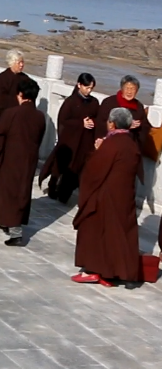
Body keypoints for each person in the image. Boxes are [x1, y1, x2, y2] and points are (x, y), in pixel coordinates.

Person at [72, 107, 144, 285]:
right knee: (118, 234)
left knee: (95, 229)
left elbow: (94, 170)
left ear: (112, 123)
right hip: (125, 197)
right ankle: (112, 273)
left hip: (106, 196)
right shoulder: (130, 143)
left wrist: (97, 150)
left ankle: (94, 270)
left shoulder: (111, 144)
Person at [0, 77, 46, 245]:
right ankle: (7, 222)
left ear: (20, 94)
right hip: (29, 161)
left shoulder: (11, 113)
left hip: (11, 160)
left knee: (8, 193)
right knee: (22, 192)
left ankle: (15, 231)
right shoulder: (40, 117)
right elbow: (39, 139)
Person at [39, 73, 99, 204]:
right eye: (86, 87)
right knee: (61, 166)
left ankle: (65, 193)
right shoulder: (71, 102)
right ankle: (53, 187)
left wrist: (92, 122)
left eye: (91, 88)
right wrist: (80, 123)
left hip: (84, 141)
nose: (89, 91)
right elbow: (63, 120)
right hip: (69, 140)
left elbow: (97, 118)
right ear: (79, 85)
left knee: (77, 167)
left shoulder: (94, 102)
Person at [95, 75, 154, 158]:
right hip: (111, 146)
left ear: (137, 91)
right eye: (127, 88)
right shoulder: (109, 103)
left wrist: (139, 126)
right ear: (122, 89)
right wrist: (126, 125)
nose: (129, 92)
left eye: (133, 89)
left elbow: (145, 126)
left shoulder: (138, 106)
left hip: (129, 148)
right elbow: (100, 124)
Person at [0, 50, 28, 129]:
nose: (21, 65)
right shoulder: (1, 79)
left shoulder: (25, 78)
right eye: (19, 62)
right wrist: (17, 100)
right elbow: (0, 100)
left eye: (22, 62)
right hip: (2, 117)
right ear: (12, 63)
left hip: (20, 118)